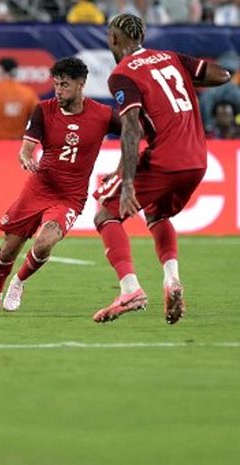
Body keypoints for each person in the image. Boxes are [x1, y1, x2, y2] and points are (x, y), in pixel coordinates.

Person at [91, 14, 231, 324]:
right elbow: (222, 76)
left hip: (167, 160)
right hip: (198, 159)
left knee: (105, 213)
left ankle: (130, 290)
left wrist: (127, 184)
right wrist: (180, 77)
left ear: (113, 39)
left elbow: (130, 129)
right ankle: (172, 280)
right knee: (157, 214)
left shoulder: (122, 74)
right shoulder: (171, 58)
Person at [0, 57, 121, 312]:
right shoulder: (43, 110)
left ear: (81, 84)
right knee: (9, 249)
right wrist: (25, 158)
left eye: (64, 85)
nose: (59, 90)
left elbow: (134, 131)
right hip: (38, 188)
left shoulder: (103, 115)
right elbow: (26, 149)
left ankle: (18, 283)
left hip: (70, 197)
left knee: (44, 242)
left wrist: (124, 168)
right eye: (56, 84)